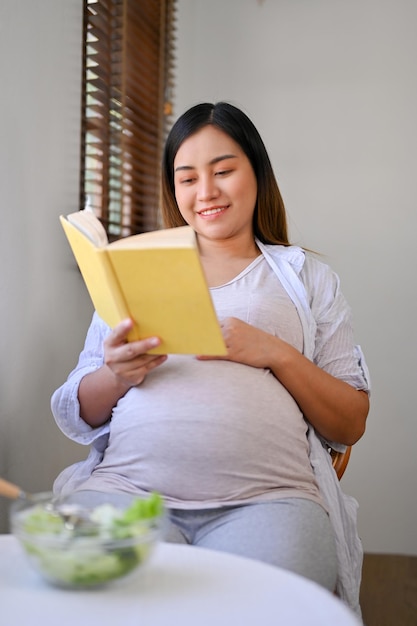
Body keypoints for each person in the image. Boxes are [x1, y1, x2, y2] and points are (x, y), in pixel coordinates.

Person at [51, 102, 370, 615]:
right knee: (93, 601)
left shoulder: (306, 277)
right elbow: (77, 410)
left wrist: (273, 352)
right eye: (187, 178)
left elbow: (350, 421)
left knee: (257, 610)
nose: (206, 193)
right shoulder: (135, 271)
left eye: (223, 171)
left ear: (257, 174)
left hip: (270, 500)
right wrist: (116, 375)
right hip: (129, 490)